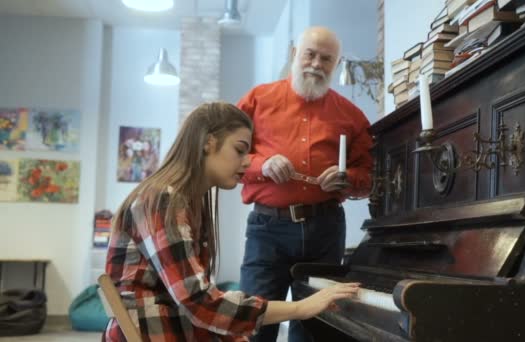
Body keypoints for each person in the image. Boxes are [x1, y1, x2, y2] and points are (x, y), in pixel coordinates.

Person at [103, 102, 359, 342]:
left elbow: (199, 302)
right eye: (239, 149)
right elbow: (199, 302)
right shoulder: (162, 199)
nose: (247, 161)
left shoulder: (184, 201)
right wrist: (301, 308)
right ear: (208, 142)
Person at [237, 26, 373, 341]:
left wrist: (347, 179)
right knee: (253, 322)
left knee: (315, 329)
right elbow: (229, 157)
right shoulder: (257, 100)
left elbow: (368, 177)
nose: (315, 64)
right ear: (294, 54)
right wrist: (263, 165)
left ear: (336, 66)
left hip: (324, 231)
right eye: (309, 54)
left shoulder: (352, 116)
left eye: (326, 59)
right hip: (266, 229)